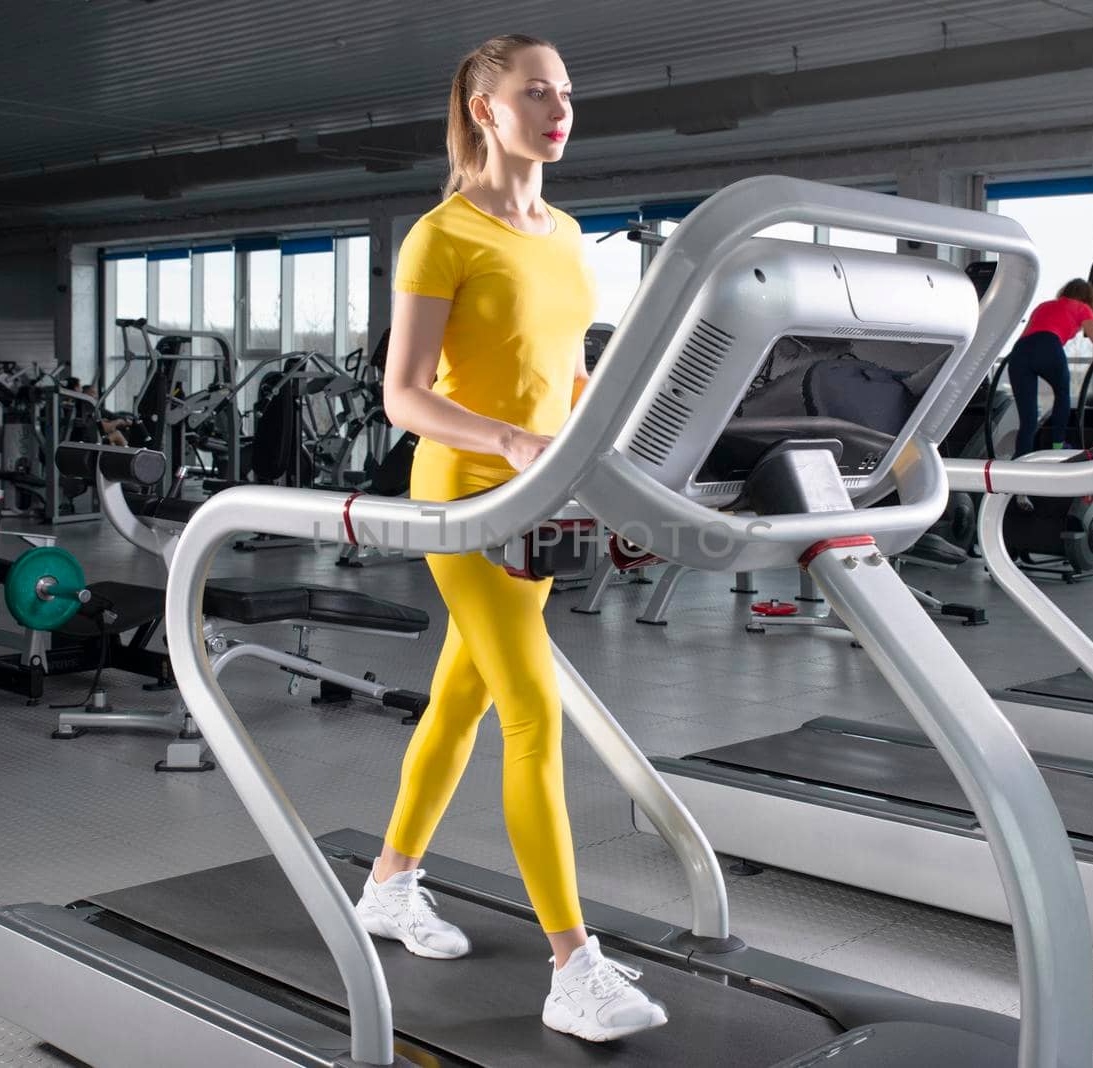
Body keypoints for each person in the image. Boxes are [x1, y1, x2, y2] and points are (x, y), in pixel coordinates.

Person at [351, 33, 667, 1043]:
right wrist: (511, 442)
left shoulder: (567, 231)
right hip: (465, 496)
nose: (558, 108)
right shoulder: (441, 234)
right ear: (486, 110)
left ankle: (389, 883)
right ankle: (573, 964)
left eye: (567, 91)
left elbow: (562, 372)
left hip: (544, 497)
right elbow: (402, 396)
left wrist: (608, 443)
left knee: (460, 697)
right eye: (535, 92)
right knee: (532, 712)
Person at [1006, 278, 1093, 457]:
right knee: (1062, 394)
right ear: (1089, 297)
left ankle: (1018, 461)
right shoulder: (1083, 308)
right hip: (1048, 347)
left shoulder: (1044, 306)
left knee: (1028, 420)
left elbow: (1031, 332)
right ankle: (1058, 447)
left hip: (1019, 352)